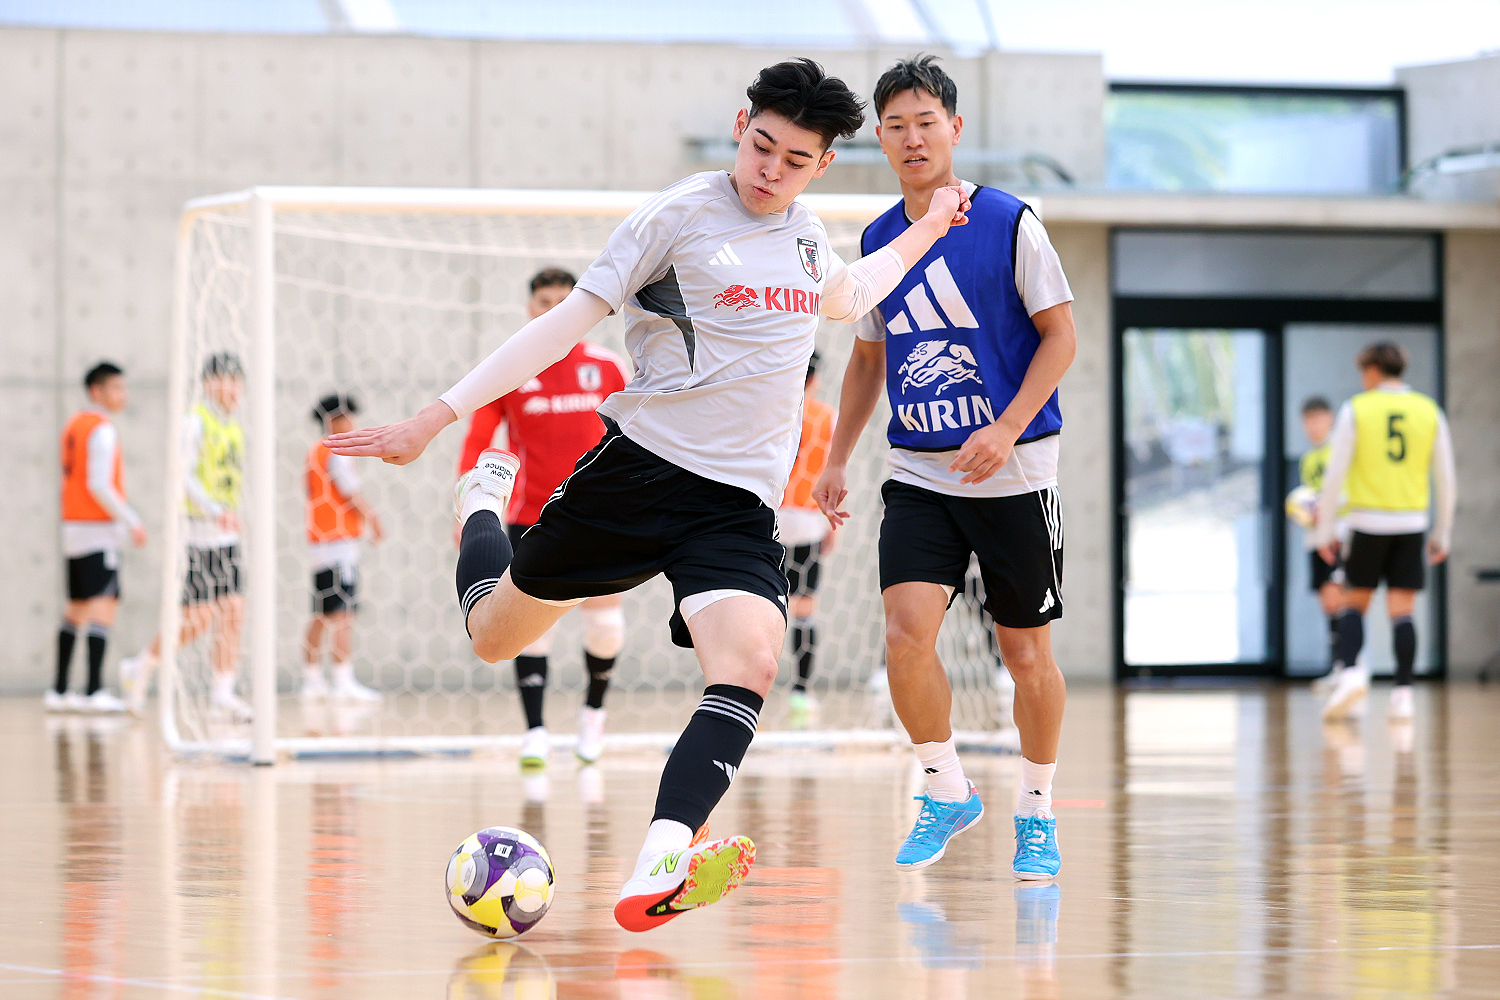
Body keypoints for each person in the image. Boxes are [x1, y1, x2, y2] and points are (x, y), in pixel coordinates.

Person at [327, 57, 968, 932]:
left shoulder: (808, 236)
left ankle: (659, 862)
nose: (770, 169)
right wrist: (437, 417)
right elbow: (561, 328)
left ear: (822, 165)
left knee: (752, 663)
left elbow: (852, 293)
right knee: (492, 638)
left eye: (794, 160)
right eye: (761, 145)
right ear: (740, 125)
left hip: (736, 506)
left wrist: (928, 226)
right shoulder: (677, 216)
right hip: (637, 476)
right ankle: (481, 500)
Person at [812, 56, 1076, 879]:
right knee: (904, 635)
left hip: (1015, 472)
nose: (913, 138)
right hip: (920, 472)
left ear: (954, 129)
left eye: (926, 122)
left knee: (1025, 655)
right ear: (880, 139)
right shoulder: (877, 240)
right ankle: (945, 788)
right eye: (896, 126)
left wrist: (1007, 426)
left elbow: (1062, 336)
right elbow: (868, 359)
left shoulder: (1009, 221)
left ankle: (1036, 810)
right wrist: (836, 457)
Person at [456, 268, 631, 768]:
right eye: (543, 302)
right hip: (530, 516)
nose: (553, 310)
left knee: (605, 627)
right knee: (530, 629)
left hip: (599, 518)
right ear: (530, 308)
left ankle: (593, 716)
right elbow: (479, 438)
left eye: (562, 301)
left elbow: (638, 432)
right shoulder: (511, 368)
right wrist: (469, 510)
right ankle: (535, 731)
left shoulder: (608, 366)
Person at [1316, 342, 1455, 722]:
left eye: (1363, 372)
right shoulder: (1428, 410)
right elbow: (1445, 478)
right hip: (1411, 523)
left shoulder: (1357, 409)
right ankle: (1403, 694)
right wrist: (1442, 531)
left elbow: (1335, 474)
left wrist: (1325, 529)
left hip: (1367, 521)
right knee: (1402, 611)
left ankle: (1351, 675)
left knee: (1354, 602)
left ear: (1374, 370)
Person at [121, 353, 252, 722]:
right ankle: (141, 665)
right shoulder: (195, 422)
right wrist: (214, 510)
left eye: (238, 381)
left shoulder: (232, 427)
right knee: (197, 619)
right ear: (209, 383)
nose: (234, 388)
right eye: (227, 380)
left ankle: (222, 695)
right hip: (197, 534)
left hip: (224, 538)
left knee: (234, 611)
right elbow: (182, 476)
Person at [52, 362, 144, 713]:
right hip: (97, 528)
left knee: (76, 606)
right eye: (117, 388)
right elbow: (99, 484)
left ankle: (59, 690)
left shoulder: (74, 425)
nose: (123, 395)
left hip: (73, 526)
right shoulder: (102, 429)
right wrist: (132, 520)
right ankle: (92, 690)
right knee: (104, 603)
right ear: (97, 391)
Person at [303, 393, 385, 703]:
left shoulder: (314, 451)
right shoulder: (336, 451)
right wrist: (373, 518)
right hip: (338, 544)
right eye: (347, 416)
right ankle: (342, 680)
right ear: (334, 420)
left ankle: (312, 679)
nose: (352, 422)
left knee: (323, 613)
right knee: (343, 614)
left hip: (320, 541)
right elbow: (350, 492)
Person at [777, 351, 836, 725]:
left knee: (765, 605)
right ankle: (801, 692)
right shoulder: (826, 416)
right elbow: (834, 471)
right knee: (804, 609)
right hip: (809, 520)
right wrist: (833, 523)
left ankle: (750, 686)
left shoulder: (771, 410)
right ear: (814, 379)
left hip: (770, 519)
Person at [1286, 397, 1349, 693]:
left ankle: (1351, 668)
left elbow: (1346, 494)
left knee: (1340, 599)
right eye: (1308, 420)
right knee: (1327, 603)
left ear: (1330, 418)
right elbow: (1308, 501)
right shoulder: (1308, 459)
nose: (1313, 426)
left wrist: (1328, 517)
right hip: (1314, 537)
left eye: (1318, 419)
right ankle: (1338, 667)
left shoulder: (1340, 452)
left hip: (1335, 535)